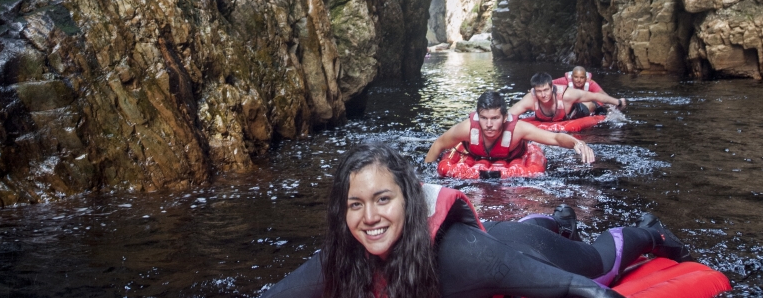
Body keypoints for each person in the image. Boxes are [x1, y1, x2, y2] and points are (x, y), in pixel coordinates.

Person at [260, 142, 692, 298]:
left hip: (513, 253)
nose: (369, 217)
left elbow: (570, 288)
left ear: (409, 201)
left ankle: (649, 230)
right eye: (355, 205)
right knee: (529, 228)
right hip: (502, 238)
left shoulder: (459, 257)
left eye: (382, 199)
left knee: (598, 262)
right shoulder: (339, 257)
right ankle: (558, 217)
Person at [424, 90, 596, 164]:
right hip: (476, 156)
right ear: (477, 116)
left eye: (495, 118)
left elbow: (554, 138)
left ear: (505, 117)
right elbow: (438, 144)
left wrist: (577, 143)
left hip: (512, 158)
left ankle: (594, 105)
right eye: (484, 118)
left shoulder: (518, 129)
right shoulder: (467, 129)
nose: (489, 125)